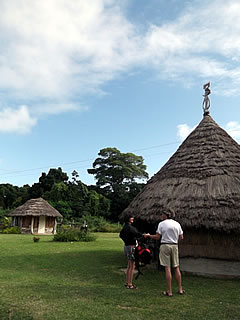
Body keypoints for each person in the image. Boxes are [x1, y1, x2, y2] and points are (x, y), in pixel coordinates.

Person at [145, 209, 184, 296]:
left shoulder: (162, 224)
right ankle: (180, 289)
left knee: (167, 268)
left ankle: (169, 291)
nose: (161, 216)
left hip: (165, 245)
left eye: (162, 214)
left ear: (166, 215)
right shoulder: (177, 224)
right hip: (174, 245)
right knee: (176, 268)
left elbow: (157, 237)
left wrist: (148, 236)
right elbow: (181, 237)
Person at [120, 214, 143, 289]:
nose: (133, 218)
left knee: (129, 265)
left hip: (127, 246)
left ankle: (127, 282)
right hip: (131, 247)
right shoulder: (130, 227)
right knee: (132, 265)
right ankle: (130, 284)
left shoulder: (125, 227)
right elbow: (137, 234)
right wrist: (144, 235)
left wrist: (126, 241)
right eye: (131, 217)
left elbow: (121, 235)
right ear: (128, 219)